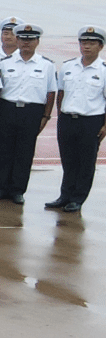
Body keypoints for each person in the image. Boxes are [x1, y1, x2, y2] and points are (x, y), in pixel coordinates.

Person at [45, 26, 105, 214]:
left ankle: (78, 198)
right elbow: (61, 93)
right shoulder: (68, 66)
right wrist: (61, 116)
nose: (86, 46)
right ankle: (65, 195)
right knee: (68, 160)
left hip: (91, 121)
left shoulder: (103, 70)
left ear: (100, 46)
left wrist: (105, 126)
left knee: (86, 162)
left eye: (91, 43)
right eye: (84, 42)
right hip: (68, 120)